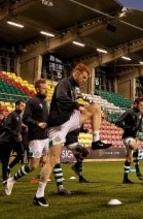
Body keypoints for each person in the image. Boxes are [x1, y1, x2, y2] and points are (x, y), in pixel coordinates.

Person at [32, 63, 111, 207]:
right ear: (76, 73)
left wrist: (81, 107)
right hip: (58, 125)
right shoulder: (64, 83)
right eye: (84, 77)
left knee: (95, 108)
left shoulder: (74, 87)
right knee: (53, 160)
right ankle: (39, 195)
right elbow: (61, 98)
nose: (84, 80)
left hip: (68, 120)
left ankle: (96, 140)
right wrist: (77, 106)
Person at [5, 80, 55, 195]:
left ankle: (41, 188)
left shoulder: (46, 102)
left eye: (47, 88)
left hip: (46, 137)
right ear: (37, 89)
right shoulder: (32, 102)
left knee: (45, 160)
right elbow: (26, 118)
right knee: (33, 165)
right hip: (36, 137)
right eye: (44, 88)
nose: (47, 90)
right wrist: (38, 124)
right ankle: (12, 180)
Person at [115, 97, 143, 184]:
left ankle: (125, 179)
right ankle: (138, 171)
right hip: (127, 137)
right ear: (135, 104)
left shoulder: (141, 113)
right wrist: (129, 128)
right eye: (141, 105)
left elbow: (139, 125)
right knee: (135, 147)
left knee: (129, 158)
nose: (142, 107)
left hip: (134, 137)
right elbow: (117, 122)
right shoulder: (129, 112)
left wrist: (139, 130)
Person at [0, 100, 25, 188]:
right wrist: (14, 133)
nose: (23, 107)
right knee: (6, 159)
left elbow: (17, 127)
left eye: (24, 106)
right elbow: (6, 127)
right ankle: (5, 177)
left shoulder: (20, 115)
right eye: (22, 105)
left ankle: (9, 168)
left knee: (21, 154)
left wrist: (23, 130)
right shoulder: (12, 115)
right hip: (10, 140)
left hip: (17, 140)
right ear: (16, 106)